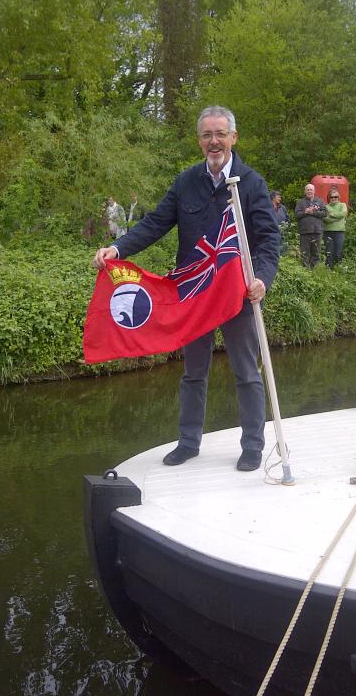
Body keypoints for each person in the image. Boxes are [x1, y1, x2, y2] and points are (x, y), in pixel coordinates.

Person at [93, 105, 280, 472]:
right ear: (199, 141)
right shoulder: (186, 181)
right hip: (193, 294)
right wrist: (118, 248)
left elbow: (269, 240)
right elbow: (155, 223)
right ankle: (189, 442)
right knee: (193, 372)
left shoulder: (250, 183)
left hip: (237, 293)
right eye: (207, 135)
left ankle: (253, 446)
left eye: (220, 134)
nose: (214, 141)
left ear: (233, 138)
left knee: (246, 372)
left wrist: (261, 278)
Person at [294, 182, 327, 267]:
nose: (309, 191)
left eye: (311, 190)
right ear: (305, 191)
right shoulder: (300, 202)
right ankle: (305, 271)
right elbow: (296, 215)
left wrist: (313, 212)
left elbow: (325, 213)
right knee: (304, 253)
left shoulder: (320, 201)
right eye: (307, 190)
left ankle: (314, 271)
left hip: (317, 230)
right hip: (304, 231)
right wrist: (305, 212)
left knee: (316, 253)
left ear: (314, 191)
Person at [323, 188, 347, 268]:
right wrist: (338, 218)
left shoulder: (343, 205)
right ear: (329, 198)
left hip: (339, 232)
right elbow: (325, 219)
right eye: (331, 197)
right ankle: (328, 269)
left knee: (338, 252)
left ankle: (338, 268)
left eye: (335, 197)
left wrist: (331, 214)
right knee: (329, 252)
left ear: (338, 197)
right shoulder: (325, 207)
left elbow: (343, 214)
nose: (333, 198)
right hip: (328, 232)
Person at [270, 190, 289, 254]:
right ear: (273, 198)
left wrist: (285, 226)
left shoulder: (282, 207)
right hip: (271, 233)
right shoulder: (267, 207)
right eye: (278, 197)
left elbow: (287, 218)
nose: (280, 199)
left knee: (283, 250)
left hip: (282, 233)